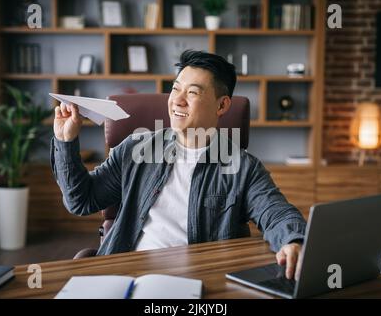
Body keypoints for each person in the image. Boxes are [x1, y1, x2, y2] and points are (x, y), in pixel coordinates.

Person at [51, 50, 307, 280]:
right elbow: (80, 200)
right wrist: (66, 140)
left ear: (222, 105)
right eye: (175, 89)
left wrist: (293, 241)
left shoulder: (243, 168)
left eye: (193, 92)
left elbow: (277, 213)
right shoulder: (135, 149)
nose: (178, 100)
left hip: (196, 279)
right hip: (126, 273)